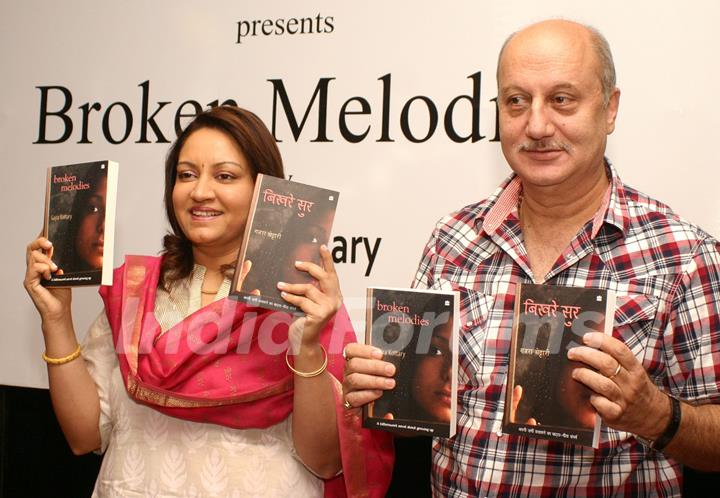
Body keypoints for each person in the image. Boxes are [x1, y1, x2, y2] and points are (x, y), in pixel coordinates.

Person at [342, 19, 720, 496]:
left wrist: (655, 413)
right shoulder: (452, 240)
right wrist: (380, 391)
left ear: (610, 108)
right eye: (516, 101)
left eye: (562, 99)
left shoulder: (682, 254)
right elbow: (414, 421)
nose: (537, 126)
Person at [24, 105, 393, 497]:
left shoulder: (302, 299)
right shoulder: (137, 290)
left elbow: (325, 462)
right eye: (186, 175)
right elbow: (84, 436)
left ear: (265, 191)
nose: (200, 191)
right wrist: (57, 318)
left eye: (225, 176)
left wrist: (307, 346)